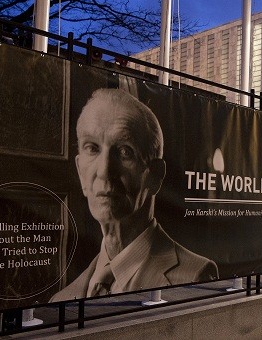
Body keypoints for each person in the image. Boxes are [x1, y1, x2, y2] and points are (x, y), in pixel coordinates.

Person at [51, 88, 218, 301]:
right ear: (80, 171)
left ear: (155, 176)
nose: (104, 171)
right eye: (92, 148)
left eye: (124, 152)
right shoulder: (61, 300)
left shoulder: (194, 276)